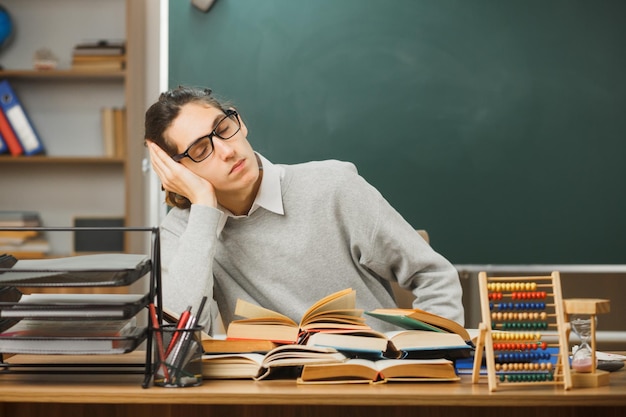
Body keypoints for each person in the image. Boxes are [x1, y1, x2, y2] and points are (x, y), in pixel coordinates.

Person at [144, 85, 464, 335]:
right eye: (201, 150)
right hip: (273, 395)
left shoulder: (333, 187)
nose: (227, 151)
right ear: (178, 173)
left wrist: (433, 362)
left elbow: (433, 276)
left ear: (239, 122)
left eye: (224, 128)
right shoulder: (183, 233)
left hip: (376, 385)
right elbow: (179, 341)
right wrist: (202, 205)